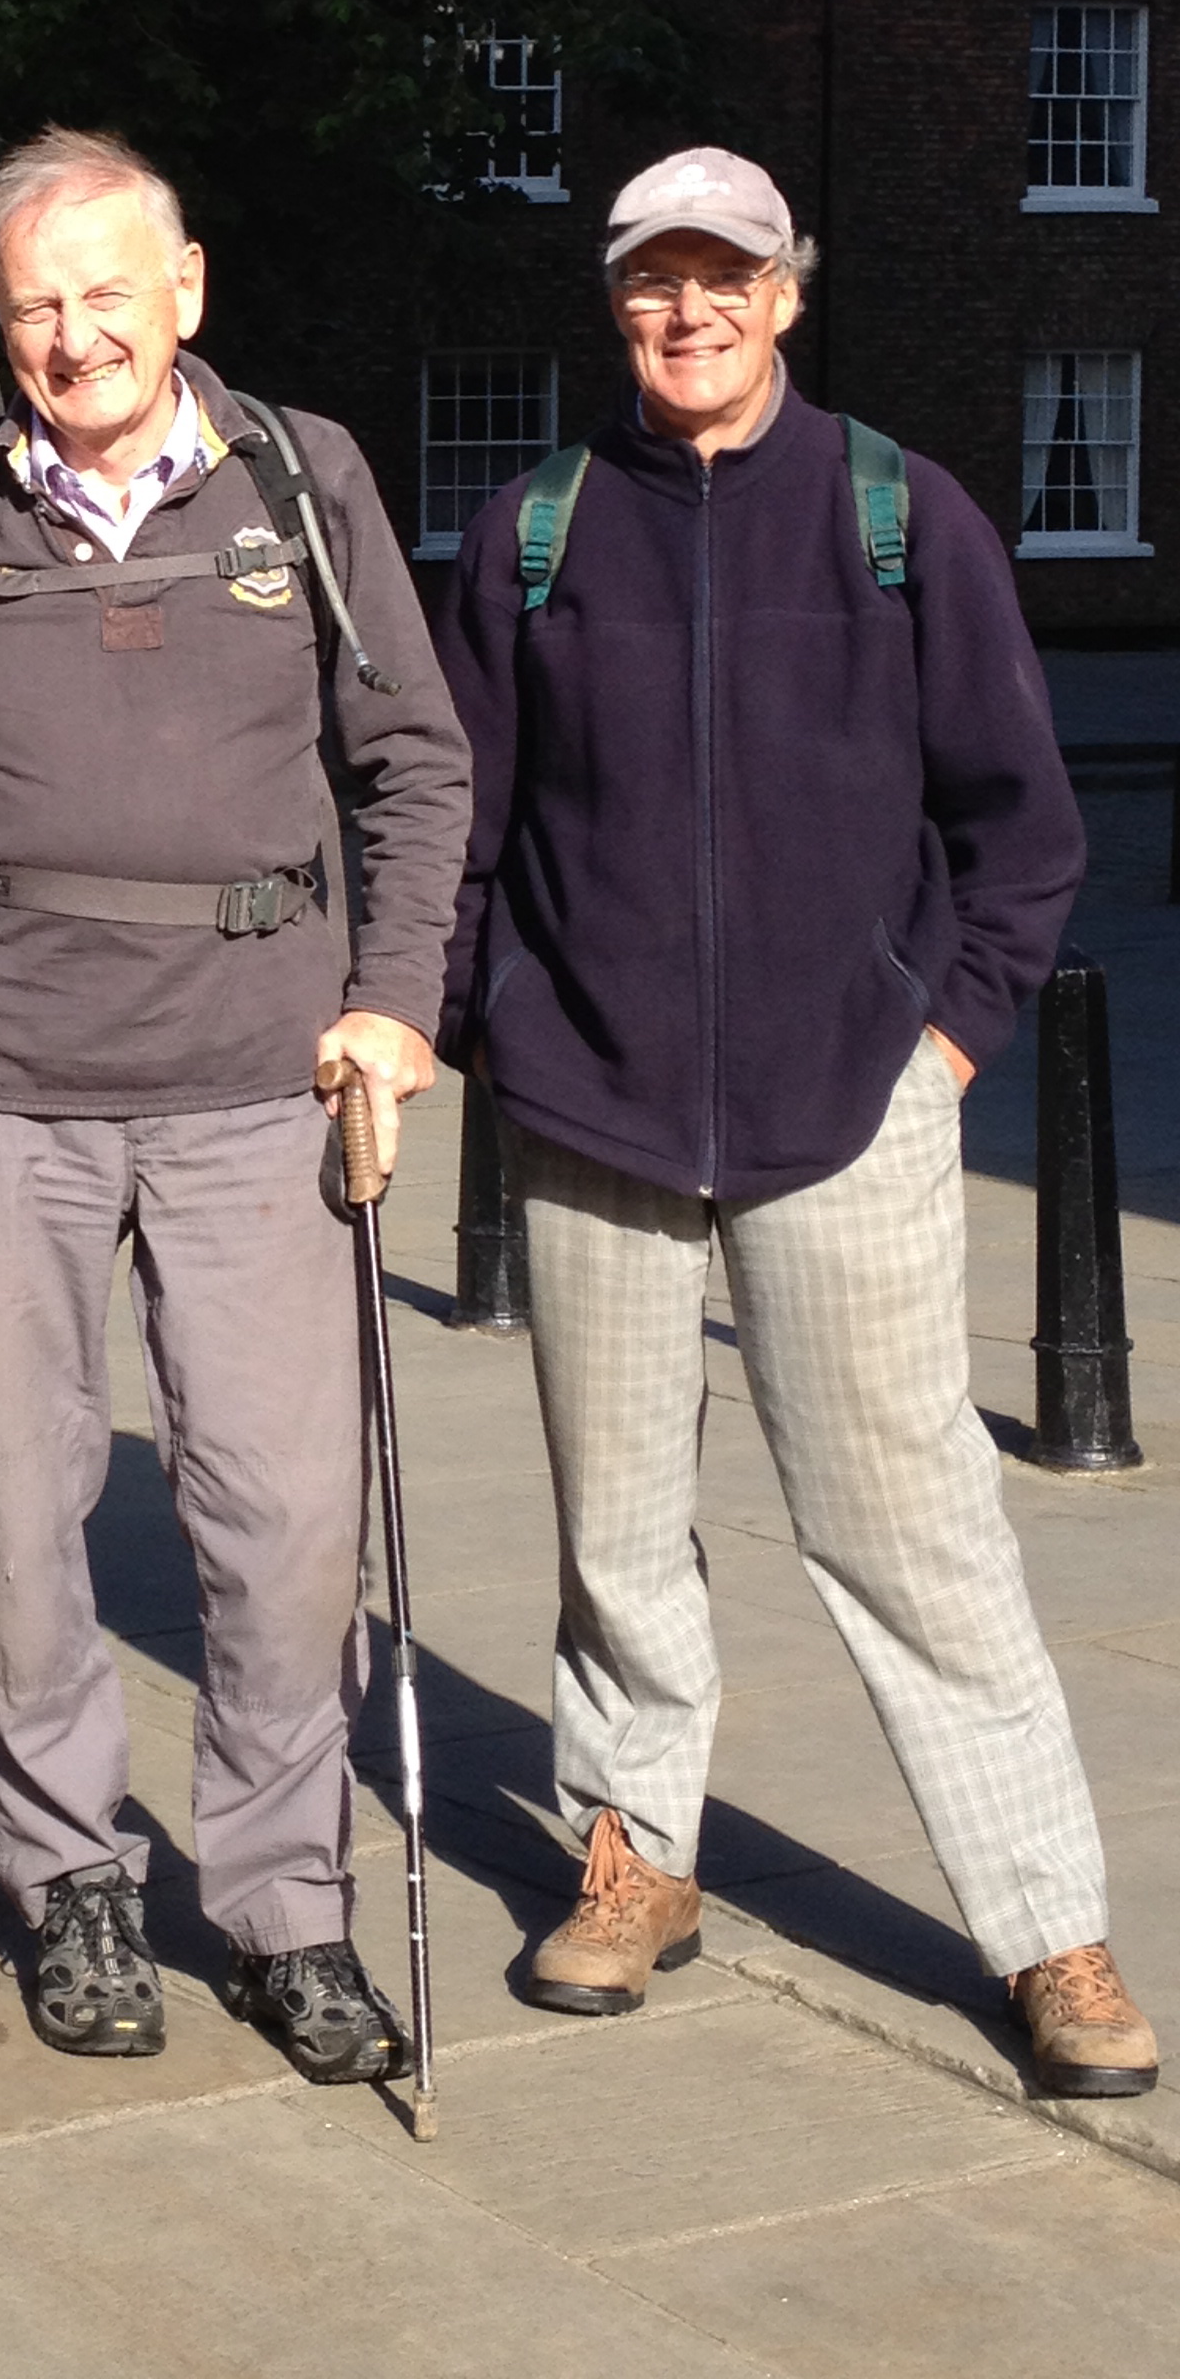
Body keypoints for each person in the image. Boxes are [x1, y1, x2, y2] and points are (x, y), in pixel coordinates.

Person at [434, 145, 1157, 2101]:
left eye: (724, 276)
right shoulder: (530, 532)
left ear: (785, 293)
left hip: (851, 1109)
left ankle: (1045, 1921)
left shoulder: (898, 514)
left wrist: (944, 1043)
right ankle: (634, 1853)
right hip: (589, 1116)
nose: (688, 311)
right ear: (615, 301)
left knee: (912, 1532)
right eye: (653, 279)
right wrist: (493, 1025)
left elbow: (1020, 826)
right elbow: (456, 834)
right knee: (613, 1532)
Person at [0, 128, 473, 2081]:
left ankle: (287, 1905)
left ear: (187, 289)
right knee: (15, 1504)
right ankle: (69, 1877)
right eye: (34, 305)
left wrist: (395, 1000)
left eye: (106, 292)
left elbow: (415, 763)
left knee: (286, 1518)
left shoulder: (302, 479)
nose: (75, 335)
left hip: (258, 1083)